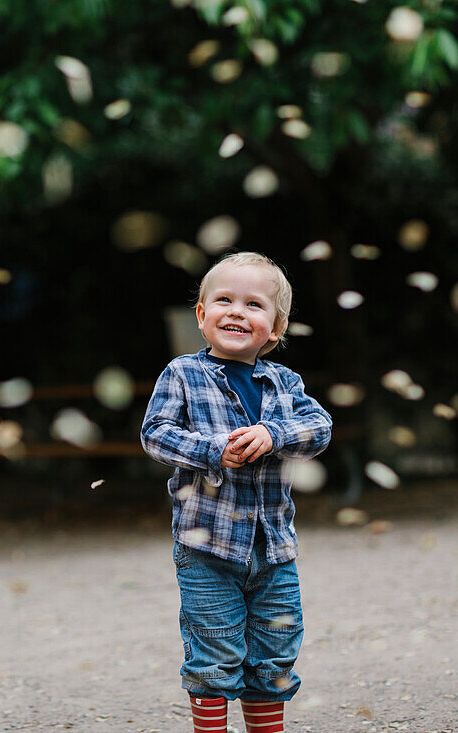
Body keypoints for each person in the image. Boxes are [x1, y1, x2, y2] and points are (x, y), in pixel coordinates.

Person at [140, 252, 332, 733]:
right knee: (215, 654)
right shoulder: (183, 373)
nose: (236, 311)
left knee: (274, 655)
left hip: (273, 550)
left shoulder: (286, 384)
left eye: (253, 304)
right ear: (201, 316)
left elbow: (320, 427)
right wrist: (210, 449)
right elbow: (155, 434)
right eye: (223, 300)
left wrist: (275, 434)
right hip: (207, 548)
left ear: (276, 327)